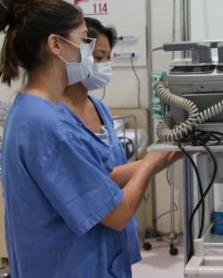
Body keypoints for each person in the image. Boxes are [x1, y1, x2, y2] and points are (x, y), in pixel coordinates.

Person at [0, 0, 179, 277]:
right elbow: (117, 215)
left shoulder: (31, 111)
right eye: (84, 41)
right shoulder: (47, 124)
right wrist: (149, 166)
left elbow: (96, 181)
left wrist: (160, 156)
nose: (90, 53)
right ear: (55, 45)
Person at [59, 17, 141, 265]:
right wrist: (148, 167)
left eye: (108, 58)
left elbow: (111, 174)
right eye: (97, 57)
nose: (104, 65)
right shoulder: (55, 117)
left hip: (113, 239)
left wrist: (162, 156)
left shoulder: (99, 108)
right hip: (80, 246)